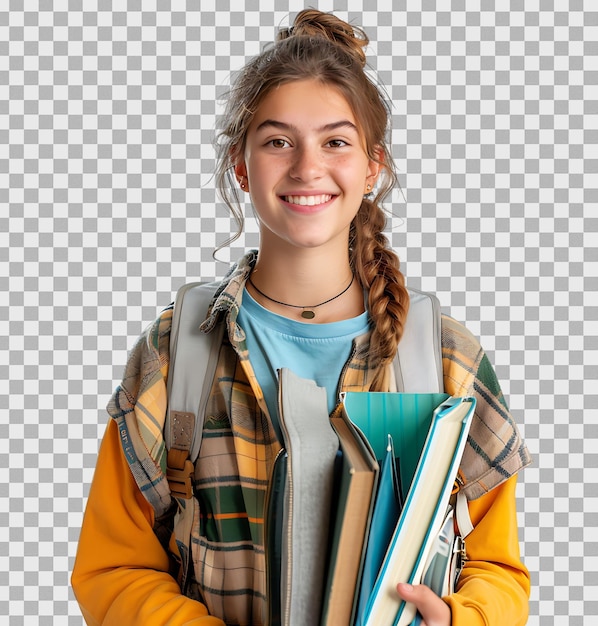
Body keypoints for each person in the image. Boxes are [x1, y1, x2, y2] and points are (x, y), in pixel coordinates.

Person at [72, 9, 531, 626]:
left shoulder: (442, 357)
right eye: (278, 141)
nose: (307, 168)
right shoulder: (177, 351)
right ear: (242, 164)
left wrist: (461, 619)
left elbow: (499, 572)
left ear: (374, 166)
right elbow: (113, 567)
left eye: (335, 141)